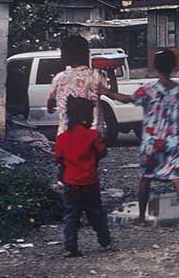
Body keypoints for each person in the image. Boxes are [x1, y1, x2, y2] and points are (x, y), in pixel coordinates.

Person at [103, 49, 179, 227]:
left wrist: (106, 91)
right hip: (174, 141)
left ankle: (142, 216)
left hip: (152, 142)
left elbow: (125, 99)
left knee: (146, 177)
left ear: (155, 67)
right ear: (173, 67)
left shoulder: (148, 90)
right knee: (176, 176)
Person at [54, 96, 111, 256]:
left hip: (70, 181)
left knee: (71, 214)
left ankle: (70, 246)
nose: (92, 118)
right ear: (83, 117)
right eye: (90, 115)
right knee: (96, 212)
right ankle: (105, 241)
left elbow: (59, 159)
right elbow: (102, 152)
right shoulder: (93, 135)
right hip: (89, 181)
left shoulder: (62, 138)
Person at [48, 34, 108, 136]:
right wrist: (111, 71)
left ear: (65, 55)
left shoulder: (59, 78)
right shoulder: (97, 75)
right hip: (93, 135)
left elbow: (50, 105)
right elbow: (112, 93)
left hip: (66, 136)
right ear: (85, 54)